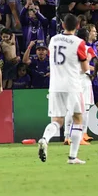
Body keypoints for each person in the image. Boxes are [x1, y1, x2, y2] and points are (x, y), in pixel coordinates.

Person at [37, 14, 89, 165]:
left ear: (62, 25)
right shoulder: (79, 42)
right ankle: (72, 157)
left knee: (57, 120)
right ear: (78, 26)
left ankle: (45, 139)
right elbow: (85, 68)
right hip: (72, 86)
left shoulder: (53, 40)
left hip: (54, 86)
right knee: (78, 118)